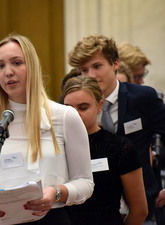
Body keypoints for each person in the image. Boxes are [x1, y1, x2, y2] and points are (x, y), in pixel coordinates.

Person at [0, 34, 94, 225]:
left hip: (51, 220)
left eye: (16, 63)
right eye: (0, 66)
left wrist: (56, 192)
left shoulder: (64, 116)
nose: (8, 72)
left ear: (31, 66)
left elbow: (85, 183)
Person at [68, 34, 165, 224]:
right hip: (95, 209)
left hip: (143, 204)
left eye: (97, 66)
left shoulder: (143, 98)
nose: (91, 76)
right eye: (83, 70)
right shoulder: (72, 105)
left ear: (115, 64)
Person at [62, 75, 148, 225]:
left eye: (83, 107)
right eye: (68, 109)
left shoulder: (119, 147)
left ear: (99, 106)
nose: (75, 114)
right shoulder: (55, 146)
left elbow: (139, 210)